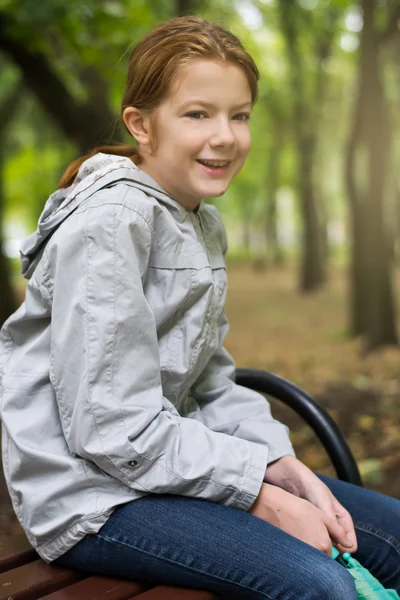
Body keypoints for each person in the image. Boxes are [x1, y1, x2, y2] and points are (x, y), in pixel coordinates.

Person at [0, 15, 399, 600]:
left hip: (163, 473)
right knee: (322, 587)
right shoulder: (112, 224)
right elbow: (112, 430)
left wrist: (277, 462)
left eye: (239, 115)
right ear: (140, 124)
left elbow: (211, 379)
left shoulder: (198, 220)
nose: (226, 136)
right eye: (197, 114)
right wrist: (260, 496)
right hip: (94, 499)